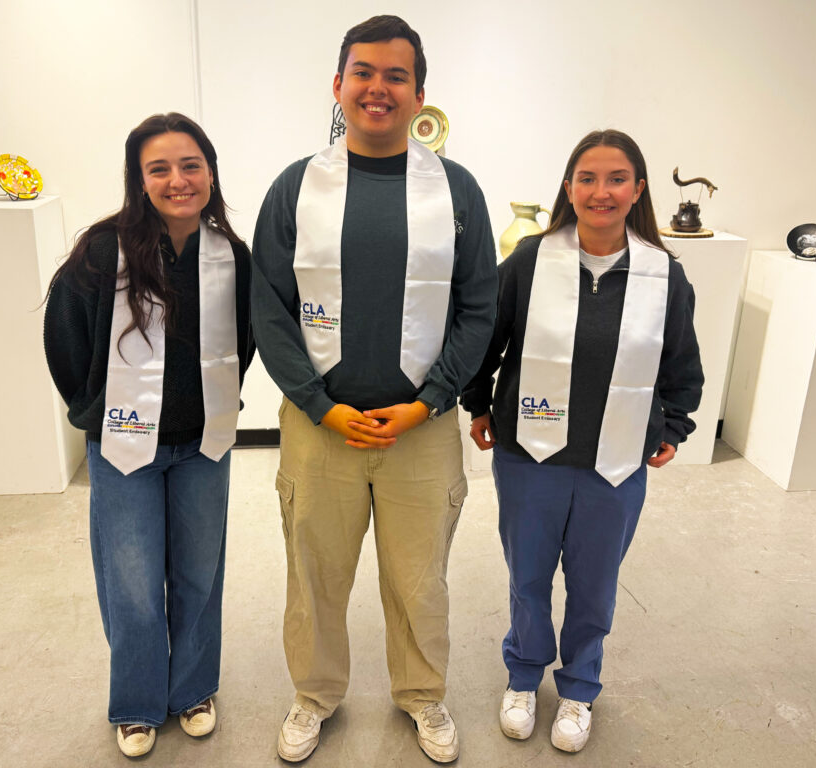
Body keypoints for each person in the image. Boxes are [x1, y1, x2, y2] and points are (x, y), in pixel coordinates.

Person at [251, 15, 497, 764]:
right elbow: (269, 305)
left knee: (418, 581)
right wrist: (320, 404)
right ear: (338, 85)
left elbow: (477, 303)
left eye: (396, 75)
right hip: (320, 427)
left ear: (420, 92)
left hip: (419, 428)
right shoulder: (296, 186)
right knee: (315, 577)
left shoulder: (455, 190)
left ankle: (422, 696)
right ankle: (315, 695)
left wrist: (432, 399)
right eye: (363, 73)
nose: (378, 88)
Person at [461, 129, 703, 753]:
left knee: (594, 584)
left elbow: (681, 363)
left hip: (614, 463)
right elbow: (487, 341)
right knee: (529, 575)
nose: (602, 192)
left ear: (638, 189)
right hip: (530, 457)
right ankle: (522, 676)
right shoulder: (529, 262)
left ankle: (578, 688)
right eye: (587, 178)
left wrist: (673, 424)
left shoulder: (663, 274)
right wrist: (480, 403)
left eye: (616, 178)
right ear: (568, 187)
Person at [43, 113, 254, 757]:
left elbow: (245, 342)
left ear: (210, 172)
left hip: (202, 444)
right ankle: (136, 703)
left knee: (199, 573)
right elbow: (65, 337)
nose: (177, 180)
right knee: (131, 582)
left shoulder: (230, 255)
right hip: (124, 446)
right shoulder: (103, 251)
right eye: (158, 168)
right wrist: (93, 412)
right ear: (139, 180)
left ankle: (192, 688)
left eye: (190, 165)